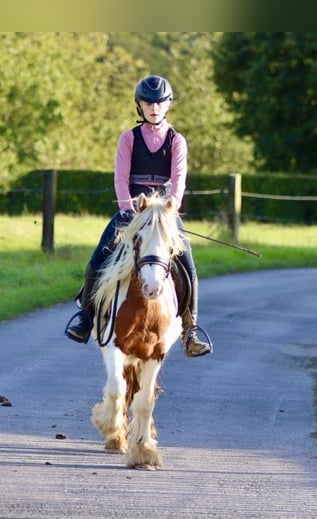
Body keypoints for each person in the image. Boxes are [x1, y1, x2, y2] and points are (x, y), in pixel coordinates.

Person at [64, 74, 212, 358]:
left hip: (164, 212)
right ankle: (86, 315)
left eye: (160, 102)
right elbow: (121, 177)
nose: (154, 107)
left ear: (168, 104)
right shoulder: (128, 139)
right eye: (148, 102)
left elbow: (179, 179)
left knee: (188, 261)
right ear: (139, 105)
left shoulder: (177, 141)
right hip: (132, 208)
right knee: (100, 254)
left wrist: (172, 207)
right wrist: (127, 208)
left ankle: (190, 329)